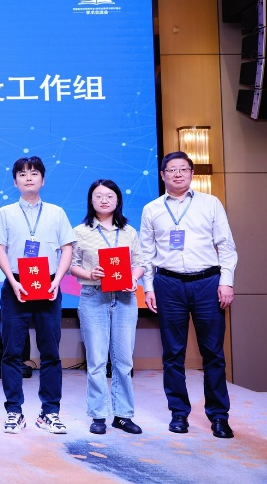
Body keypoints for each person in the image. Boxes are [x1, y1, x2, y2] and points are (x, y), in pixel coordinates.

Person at [140, 151, 237, 439]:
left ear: (192, 173)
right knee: (172, 353)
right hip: (168, 284)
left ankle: (218, 416)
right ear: (162, 175)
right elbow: (146, 253)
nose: (178, 174)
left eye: (183, 169)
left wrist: (226, 282)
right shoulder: (152, 209)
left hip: (208, 282)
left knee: (213, 353)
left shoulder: (210, 203)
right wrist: (148, 287)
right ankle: (178, 413)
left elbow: (226, 246)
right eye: (172, 170)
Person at [0, 156, 74, 435]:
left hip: (49, 286)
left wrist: (58, 281)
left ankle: (49, 412)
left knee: (50, 352)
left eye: (34, 173)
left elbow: (67, 248)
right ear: (15, 181)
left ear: (43, 179)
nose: (28, 178)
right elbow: (0, 248)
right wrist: (12, 281)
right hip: (16, 285)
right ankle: (14, 411)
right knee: (12, 352)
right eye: (23, 174)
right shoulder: (5, 212)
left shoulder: (56, 212)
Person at [70, 179, 146, 435]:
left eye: (109, 196)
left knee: (124, 360)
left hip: (125, 299)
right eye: (99, 196)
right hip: (93, 297)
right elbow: (72, 266)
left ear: (117, 200)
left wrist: (133, 278)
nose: (104, 200)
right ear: (91, 200)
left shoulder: (129, 232)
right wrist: (90, 274)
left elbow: (140, 263)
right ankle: (98, 415)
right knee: (97, 360)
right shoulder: (80, 231)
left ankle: (123, 415)